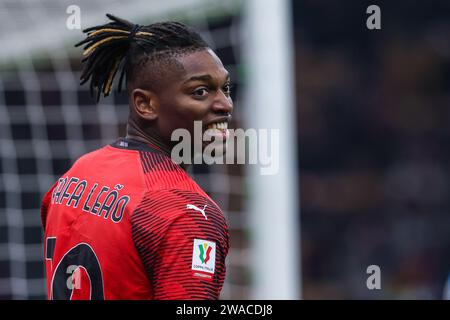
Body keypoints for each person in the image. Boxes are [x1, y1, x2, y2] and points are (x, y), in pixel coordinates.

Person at [41, 14, 232, 300]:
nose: (225, 104)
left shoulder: (78, 173)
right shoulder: (185, 212)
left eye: (225, 88)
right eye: (200, 91)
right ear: (145, 104)